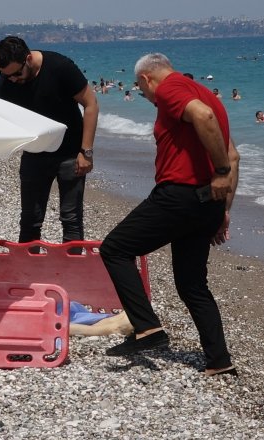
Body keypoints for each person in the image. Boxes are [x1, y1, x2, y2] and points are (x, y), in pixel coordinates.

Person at [99, 53, 240, 377]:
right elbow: (235, 154)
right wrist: (224, 209)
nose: (147, 98)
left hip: (179, 196)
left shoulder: (170, 89)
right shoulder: (205, 93)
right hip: (207, 203)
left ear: (147, 79)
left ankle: (147, 328)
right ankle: (219, 361)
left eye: (141, 89)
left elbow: (205, 122)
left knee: (115, 249)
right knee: (192, 284)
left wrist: (219, 173)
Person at [0, 36, 99, 247]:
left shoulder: (60, 67)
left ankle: (72, 272)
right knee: (30, 218)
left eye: (16, 74)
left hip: (70, 154)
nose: (13, 79)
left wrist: (86, 151)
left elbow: (91, 104)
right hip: (34, 154)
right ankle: (28, 272)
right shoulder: (6, 81)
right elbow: (8, 119)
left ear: (29, 59)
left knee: (71, 218)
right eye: (7, 75)